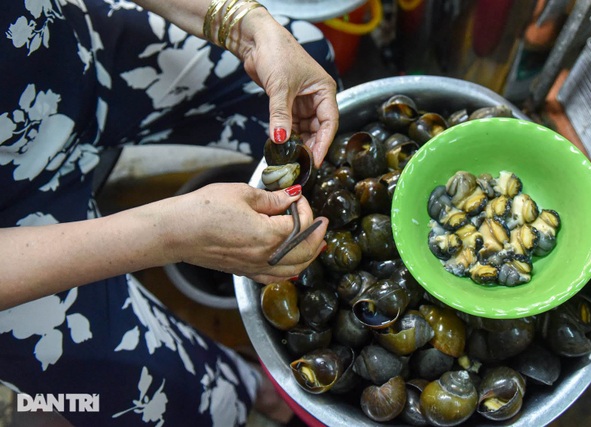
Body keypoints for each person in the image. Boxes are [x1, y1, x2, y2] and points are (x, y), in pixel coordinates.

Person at [0, 0, 339, 425]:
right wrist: (166, 235)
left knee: (306, 64)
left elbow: (250, 33)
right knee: (178, 405)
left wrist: (244, 24)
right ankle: (253, 389)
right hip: (11, 240)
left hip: (65, 58)